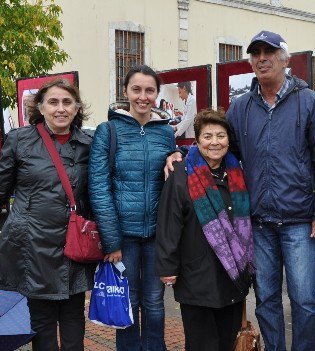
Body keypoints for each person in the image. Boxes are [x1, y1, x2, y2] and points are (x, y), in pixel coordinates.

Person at [168, 31, 315, 350]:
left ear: (285, 59)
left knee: (304, 299)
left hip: (300, 222)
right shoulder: (241, 108)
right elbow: (218, 147)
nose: (262, 58)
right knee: (267, 299)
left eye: (269, 52)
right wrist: (181, 155)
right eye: (255, 53)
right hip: (258, 223)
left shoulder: (309, 103)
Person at [0, 79, 94, 351]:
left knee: (74, 315)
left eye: (67, 102)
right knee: (41, 321)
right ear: (40, 107)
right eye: (53, 102)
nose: (60, 109)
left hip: (74, 244)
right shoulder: (20, 140)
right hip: (33, 246)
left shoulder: (89, 143)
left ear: (77, 108)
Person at [89, 65, 176, 351]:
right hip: (122, 237)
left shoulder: (165, 133)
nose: (142, 96)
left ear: (157, 94)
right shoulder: (108, 130)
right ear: (125, 92)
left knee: (153, 302)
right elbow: (99, 188)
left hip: (156, 235)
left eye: (149, 90)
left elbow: (173, 177)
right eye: (136, 89)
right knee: (126, 301)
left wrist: (179, 153)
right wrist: (111, 240)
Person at [156, 109, 254, 350]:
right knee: (201, 343)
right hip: (196, 276)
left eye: (220, 136)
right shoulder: (181, 173)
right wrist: (168, 266)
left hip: (232, 277)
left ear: (228, 140)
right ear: (197, 140)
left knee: (226, 342)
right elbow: (169, 222)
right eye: (207, 136)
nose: (214, 142)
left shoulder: (237, 173)